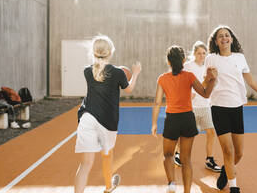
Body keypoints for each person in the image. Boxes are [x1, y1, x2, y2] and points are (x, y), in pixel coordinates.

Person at [205, 26, 257, 193]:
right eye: (220, 36)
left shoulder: (240, 58)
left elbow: (251, 82)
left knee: (238, 154)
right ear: (216, 42)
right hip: (218, 107)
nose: (224, 38)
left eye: (227, 35)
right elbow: (206, 81)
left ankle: (226, 170)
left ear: (231, 39)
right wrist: (210, 78)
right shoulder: (211, 58)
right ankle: (234, 188)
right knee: (228, 150)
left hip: (236, 108)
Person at [74, 35, 141, 193]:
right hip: (107, 122)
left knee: (85, 165)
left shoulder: (87, 71)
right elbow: (129, 90)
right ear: (110, 52)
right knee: (107, 156)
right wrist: (136, 73)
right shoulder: (118, 73)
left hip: (87, 118)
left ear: (93, 52)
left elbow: (100, 72)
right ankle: (108, 187)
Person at [151, 45, 217, 193]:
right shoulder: (189, 76)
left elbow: (157, 102)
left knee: (168, 155)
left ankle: (172, 183)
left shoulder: (162, 78)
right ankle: (187, 191)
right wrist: (212, 79)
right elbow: (205, 93)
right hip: (188, 118)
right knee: (186, 159)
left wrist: (154, 123)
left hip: (172, 120)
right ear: (184, 59)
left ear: (168, 62)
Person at [174, 41, 221, 173]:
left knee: (211, 132)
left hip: (205, 106)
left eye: (204, 53)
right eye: (199, 53)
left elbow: (212, 84)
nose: (201, 55)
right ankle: (178, 154)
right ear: (194, 54)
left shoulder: (208, 67)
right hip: (191, 106)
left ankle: (209, 160)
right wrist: (190, 94)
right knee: (187, 134)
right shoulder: (188, 66)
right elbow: (182, 82)